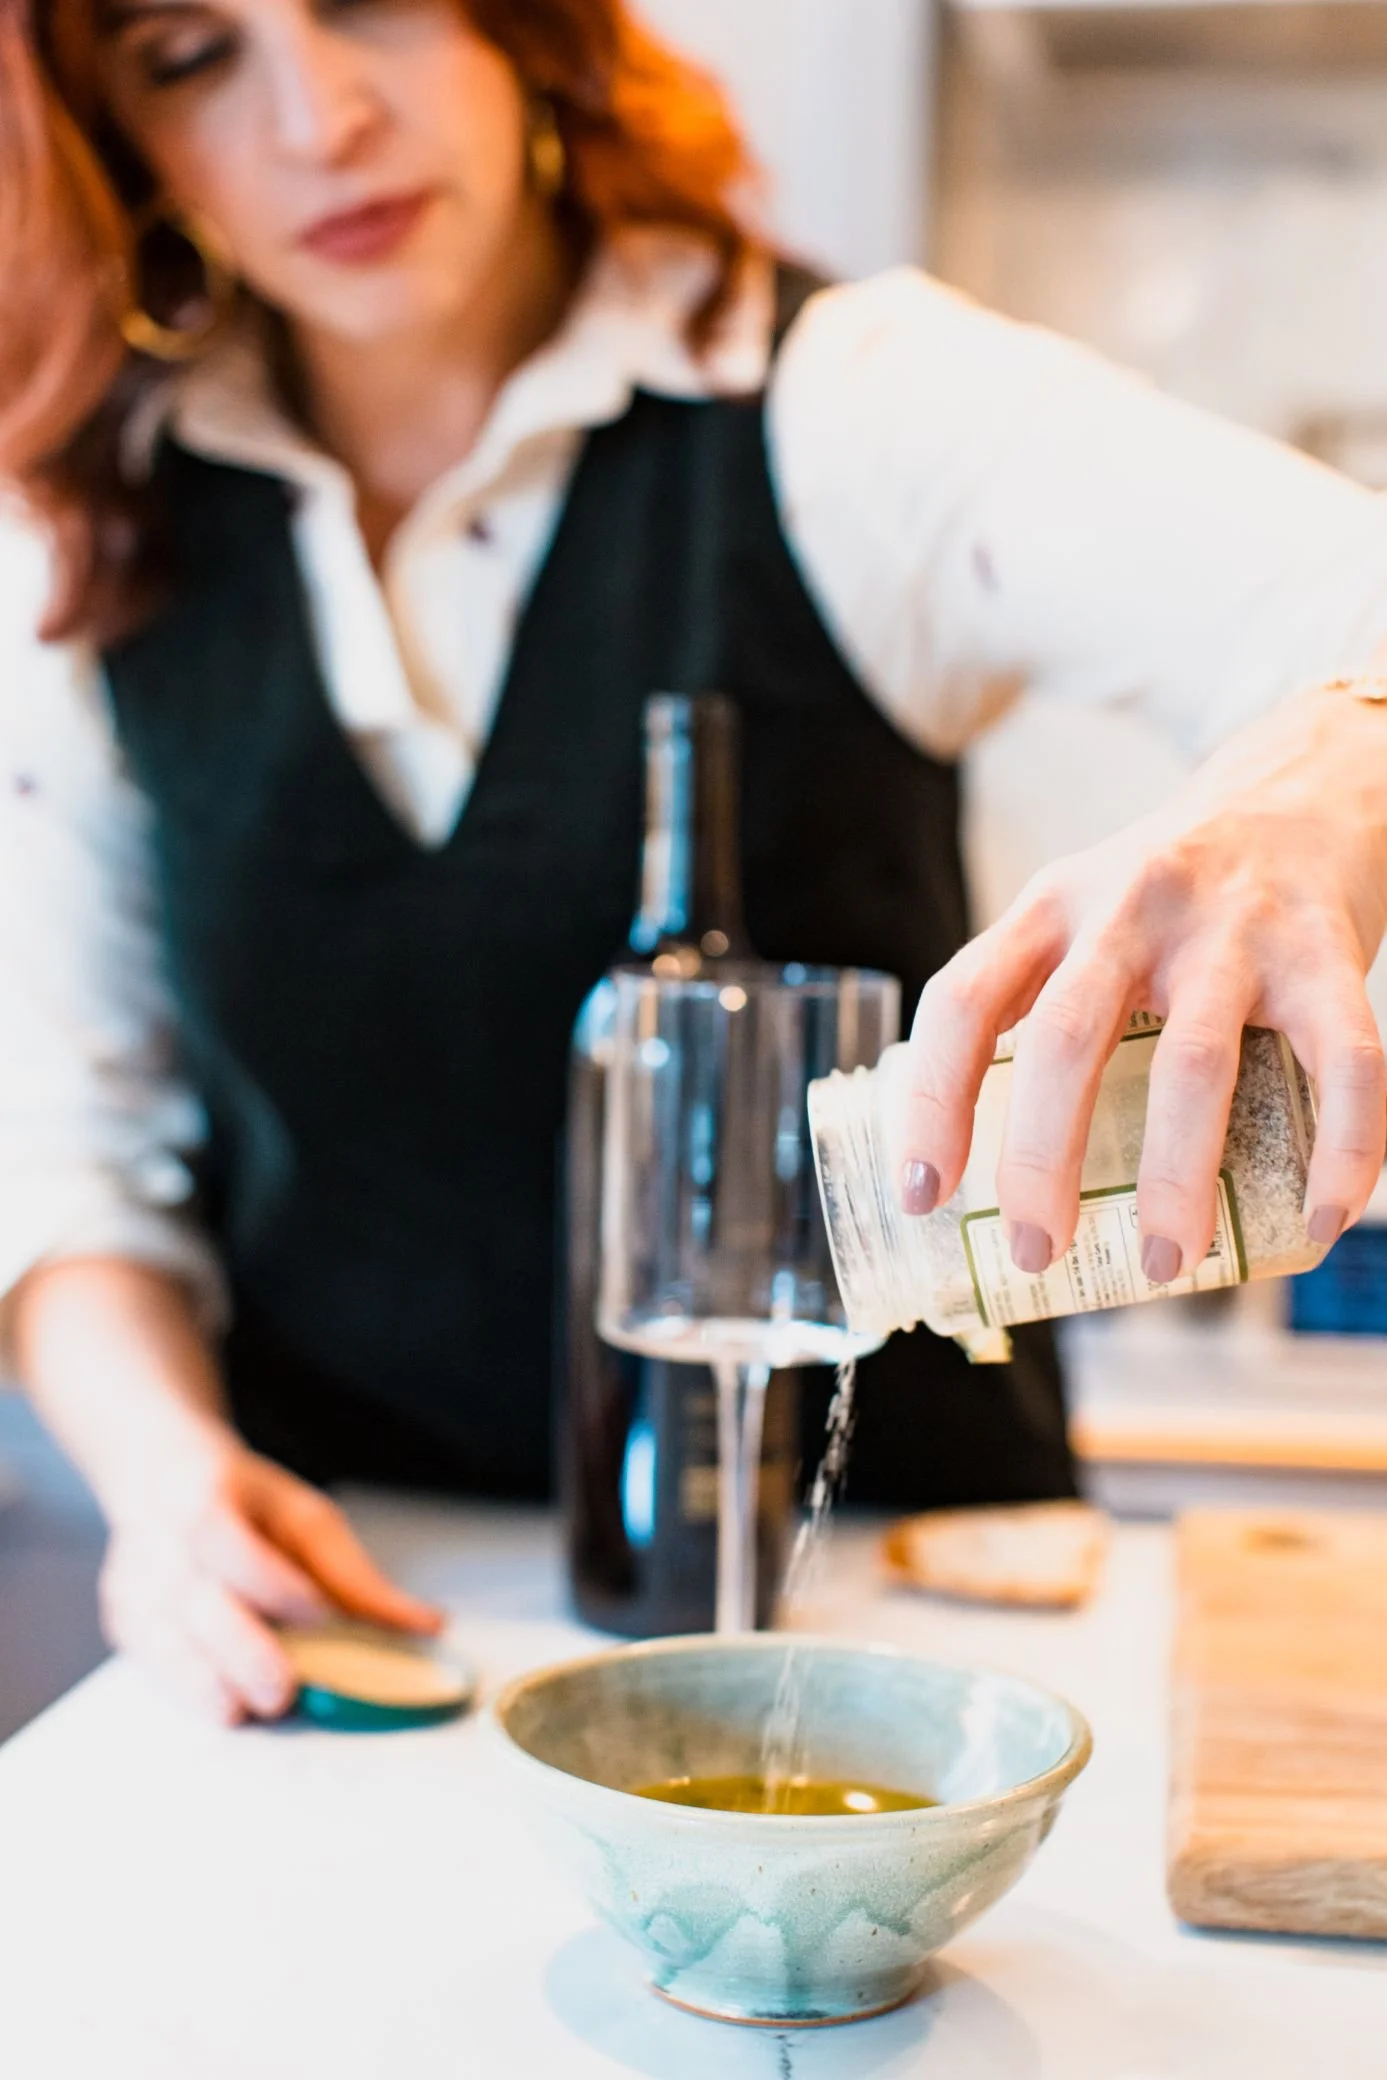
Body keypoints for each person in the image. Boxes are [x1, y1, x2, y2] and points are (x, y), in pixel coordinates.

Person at [1, 0, 1385, 1724]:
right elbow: (72, 1155)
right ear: (114, 136)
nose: (320, 117)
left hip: (895, 1614)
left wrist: (1321, 778)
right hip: (368, 1611)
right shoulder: (90, 536)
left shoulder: (845, 402)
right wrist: (162, 1478)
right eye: (187, 54)